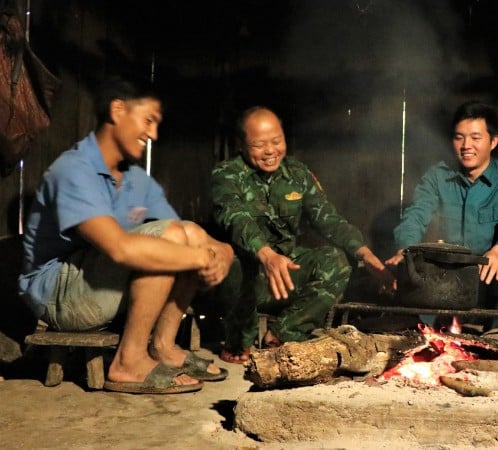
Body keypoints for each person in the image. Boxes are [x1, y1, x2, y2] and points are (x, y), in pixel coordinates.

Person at [18, 76, 235, 394]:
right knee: (172, 241)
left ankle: (163, 346)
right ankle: (128, 361)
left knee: (184, 234)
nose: (153, 133)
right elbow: (119, 249)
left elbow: (188, 233)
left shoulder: (134, 179)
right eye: (148, 120)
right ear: (118, 111)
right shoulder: (73, 171)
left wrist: (221, 251)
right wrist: (200, 257)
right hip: (59, 296)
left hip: (97, 282)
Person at [211, 106, 394, 363]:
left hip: (286, 272)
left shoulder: (297, 174)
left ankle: (285, 333)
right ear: (241, 145)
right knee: (231, 261)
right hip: (245, 274)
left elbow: (327, 218)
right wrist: (265, 254)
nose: (270, 151)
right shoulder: (226, 175)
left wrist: (362, 251)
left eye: (276, 141)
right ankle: (238, 340)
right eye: (259, 144)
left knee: (337, 261)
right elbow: (235, 219)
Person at [386, 101, 498, 330]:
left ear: (493, 141)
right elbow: (415, 215)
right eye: (459, 137)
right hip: (444, 278)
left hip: (488, 276)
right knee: (411, 261)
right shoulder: (438, 177)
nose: (466, 145)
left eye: (476, 138)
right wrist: (406, 249)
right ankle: (424, 334)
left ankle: (496, 331)